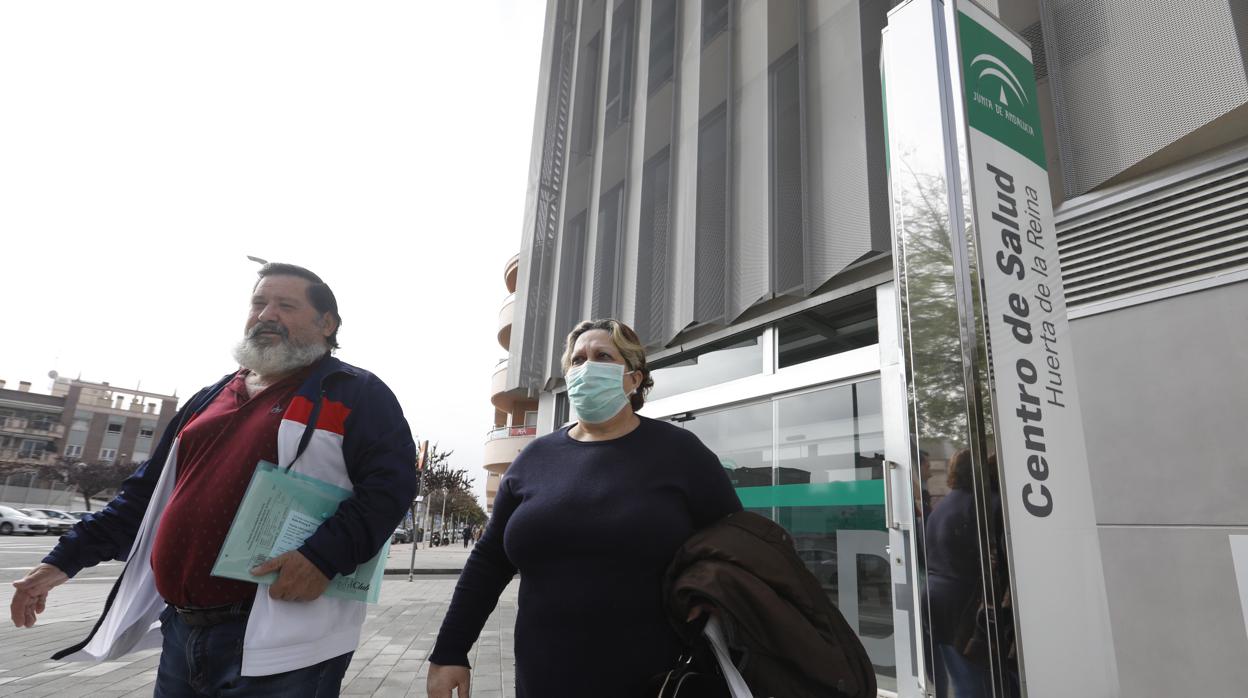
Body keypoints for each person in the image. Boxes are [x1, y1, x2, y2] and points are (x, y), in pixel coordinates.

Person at [9, 262, 417, 697]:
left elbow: (391, 487)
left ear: (327, 323)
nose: (265, 315)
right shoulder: (210, 398)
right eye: (258, 303)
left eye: (285, 305)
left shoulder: (354, 392)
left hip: (284, 639)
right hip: (183, 629)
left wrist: (322, 556)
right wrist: (61, 562)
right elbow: (144, 495)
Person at [426, 319, 742, 698]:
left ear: (634, 378)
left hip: (655, 679)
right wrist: (449, 651)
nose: (585, 367)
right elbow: (489, 561)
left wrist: (715, 597)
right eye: (577, 360)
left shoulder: (680, 453)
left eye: (602, 356)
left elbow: (737, 540)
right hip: (543, 677)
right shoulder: (535, 458)